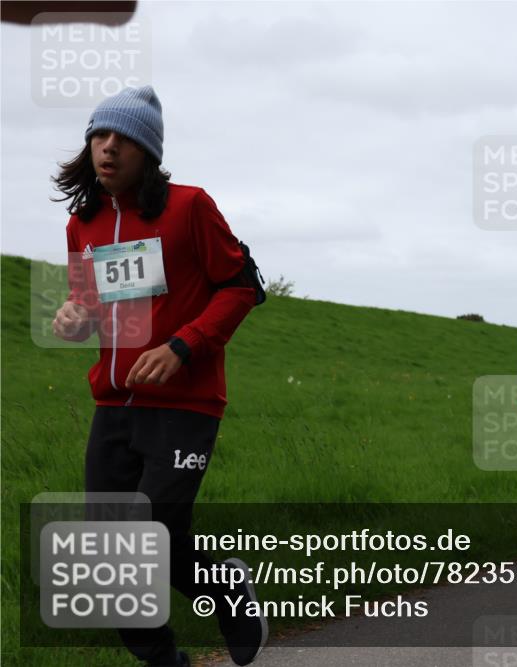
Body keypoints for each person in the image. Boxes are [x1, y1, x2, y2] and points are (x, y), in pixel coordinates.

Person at [51, 86, 266, 667]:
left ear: (148, 150)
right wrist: (75, 320)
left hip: (184, 405)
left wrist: (184, 345)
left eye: (123, 139)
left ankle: (226, 592)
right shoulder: (83, 224)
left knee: (151, 534)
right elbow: (92, 306)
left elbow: (244, 287)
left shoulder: (190, 207)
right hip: (113, 406)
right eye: (99, 136)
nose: (108, 148)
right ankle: (163, 659)